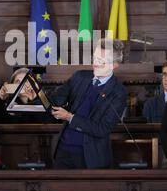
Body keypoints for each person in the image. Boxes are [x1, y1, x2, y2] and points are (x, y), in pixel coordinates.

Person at [51, 38, 127, 169]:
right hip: (63, 151)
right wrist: (36, 96)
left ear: (114, 65)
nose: (95, 64)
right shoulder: (80, 76)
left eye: (101, 61)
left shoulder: (118, 92)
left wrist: (70, 117)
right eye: (94, 58)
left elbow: (102, 129)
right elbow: (57, 98)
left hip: (90, 158)